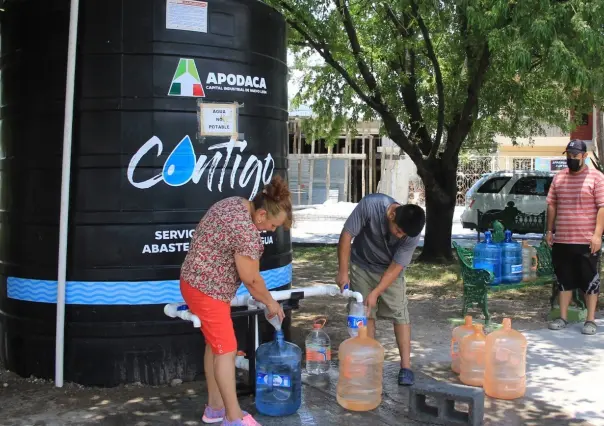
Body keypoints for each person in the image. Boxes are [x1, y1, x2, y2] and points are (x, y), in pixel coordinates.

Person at [180, 175, 292, 426]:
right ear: (262, 215)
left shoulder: (236, 203)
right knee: (227, 349)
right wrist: (271, 303)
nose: (272, 231)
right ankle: (234, 418)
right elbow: (251, 281)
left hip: (192, 282)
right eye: (273, 225)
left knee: (215, 345)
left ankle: (215, 409)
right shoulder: (247, 233)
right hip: (207, 292)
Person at [336, 193, 426, 386]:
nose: (400, 236)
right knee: (366, 313)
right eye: (398, 231)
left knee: (400, 314)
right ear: (392, 215)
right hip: (362, 265)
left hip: (390, 270)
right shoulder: (371, 205)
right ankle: (368, 365)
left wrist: (376, 291)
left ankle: (406, 367)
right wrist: (343, 272)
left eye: (404, 234)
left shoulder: (411, 232)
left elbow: (397, 266)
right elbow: (346, 236)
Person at [546, 140, 604, 336]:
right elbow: (552, 204)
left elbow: (602, 207)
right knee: (564, 280)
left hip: (587, 240)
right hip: (563, 239)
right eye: (569, 155)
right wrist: (549, 231)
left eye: (575, 155)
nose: (571, 159)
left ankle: (590, 320)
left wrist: (597, 235)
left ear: (584, 156)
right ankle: (562, 317)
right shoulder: (559, 178)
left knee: (589, 281)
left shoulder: (596, 178)